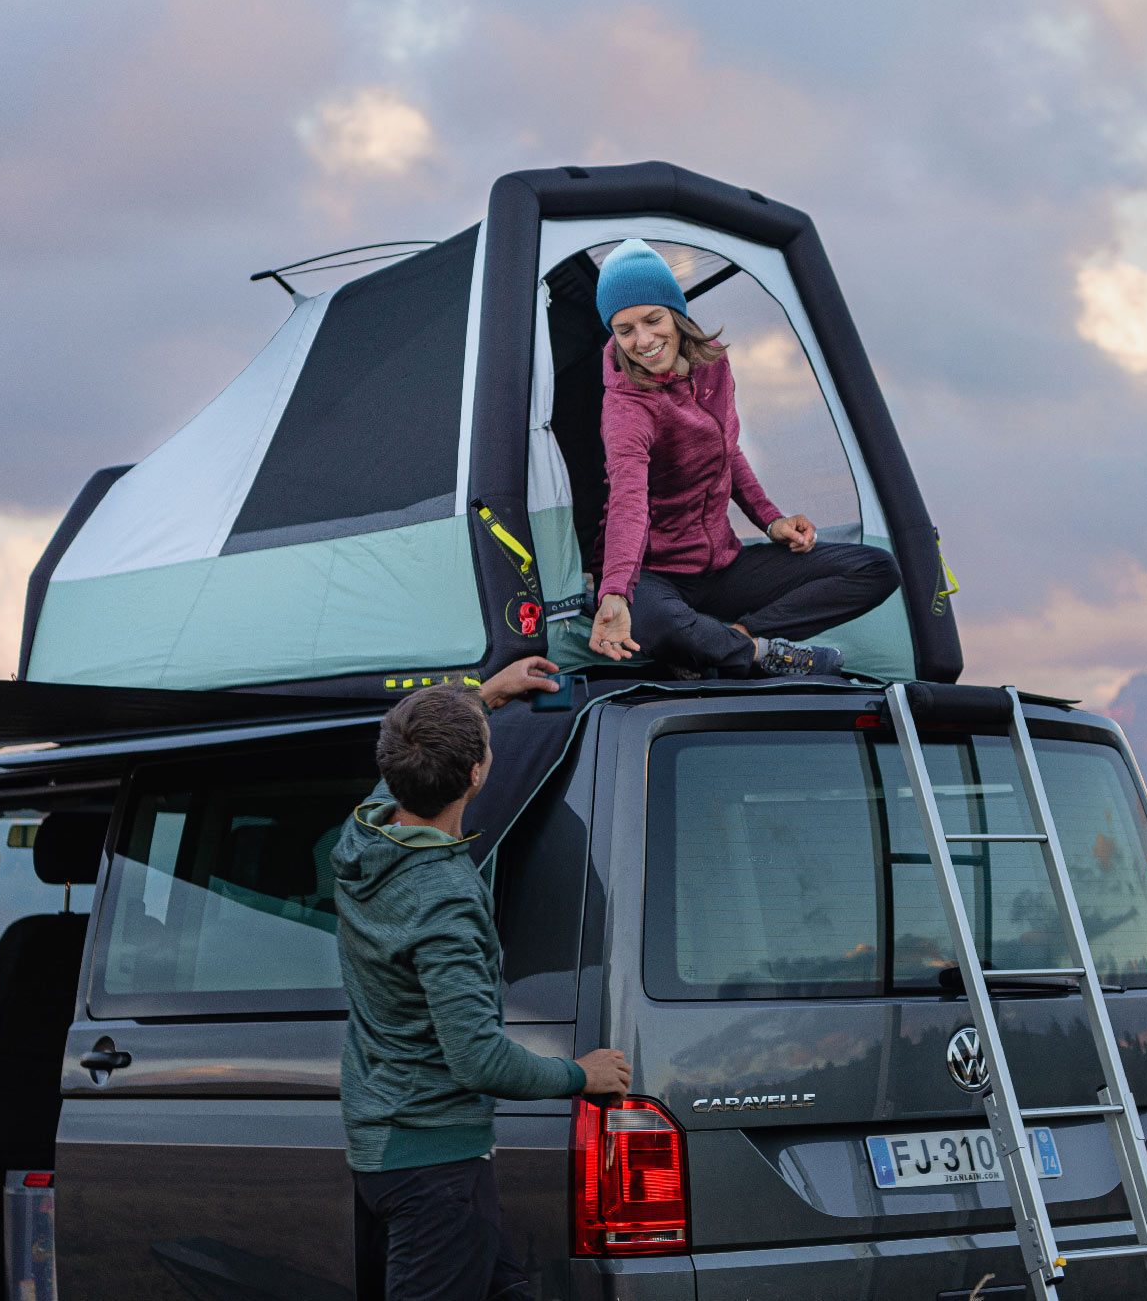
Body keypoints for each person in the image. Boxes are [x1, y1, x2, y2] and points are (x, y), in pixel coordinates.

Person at [334, 659, 630, 1301]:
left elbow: (405, 764)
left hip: (385, 1146)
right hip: (433, 1164)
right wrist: (583, 1075)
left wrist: (483, 697)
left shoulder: (360, 840)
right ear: (475, 775)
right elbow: (478, 1059)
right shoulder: (443, 899)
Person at [586, 238, 901, 677]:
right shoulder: (625, 407)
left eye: (652, 320)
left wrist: (771, 521)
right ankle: (762, 655)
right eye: (625, 330)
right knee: (656, 622)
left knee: (877, 568)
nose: (643, 340)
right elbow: (627, 499)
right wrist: (615, 591)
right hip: (652, 574)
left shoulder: (713, 368)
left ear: (676, 314)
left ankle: (737, 640)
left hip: (721, 566)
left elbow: (726, 452)